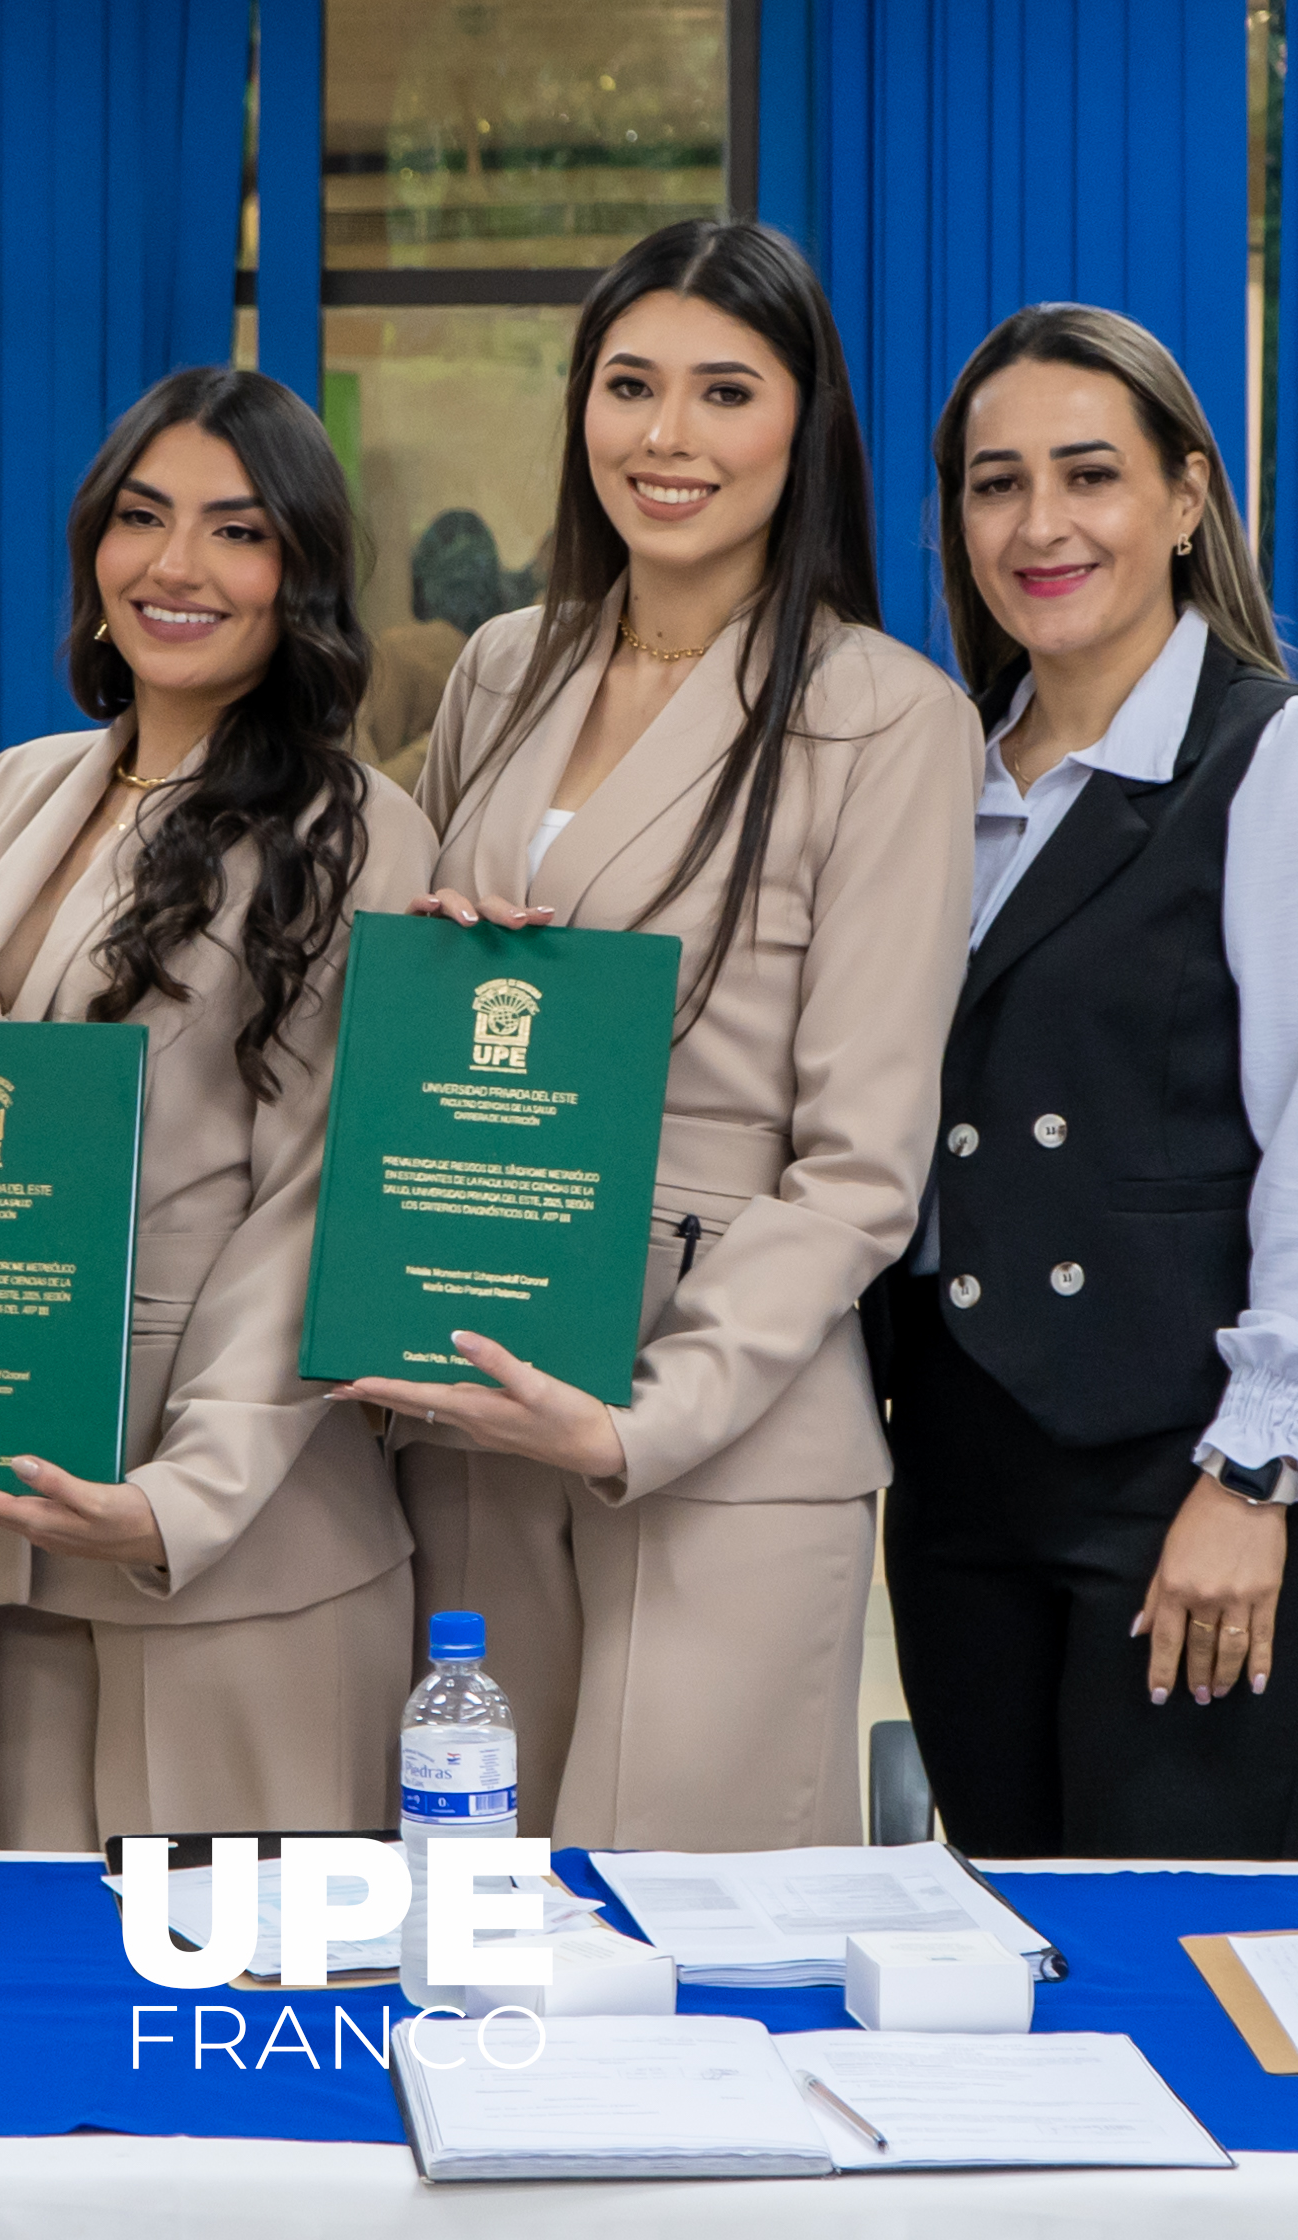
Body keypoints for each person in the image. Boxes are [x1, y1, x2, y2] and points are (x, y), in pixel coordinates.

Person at [329, 218, 985, 1851]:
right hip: (472, 1380)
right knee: (473, 1914)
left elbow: (859, 1168)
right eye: (628, 387)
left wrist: (643, 1419)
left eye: (723, 392)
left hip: (719, 1424)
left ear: (803, 424)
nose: (666, 438)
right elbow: (402, 1012)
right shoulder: (498, 670)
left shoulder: (885, 717)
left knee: (685, 1958)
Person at [0, 369, 439, 1846]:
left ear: (302, 576)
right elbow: (6, 1107)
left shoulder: (355, 831)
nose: (176, 566)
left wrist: (179, 1495)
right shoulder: (23, 784)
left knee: (223, 2024)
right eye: (141, 518)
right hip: (2, 1498)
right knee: (32, 2017)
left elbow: (323, 1197)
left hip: (223, 1531)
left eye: (236, 529)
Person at [871, 305, 1298, 1857]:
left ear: (1186, 500)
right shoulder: (936, 782)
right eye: (994, 485)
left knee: (1178, 1983)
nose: (1039, 526)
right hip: (961, 1476)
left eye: (1088, 476)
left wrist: (1253, 1471)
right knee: (1021, 1968)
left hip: (1196, 1476)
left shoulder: (1291, 764)